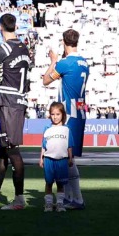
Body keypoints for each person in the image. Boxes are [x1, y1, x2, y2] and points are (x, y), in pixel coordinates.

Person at [0, 14, 33, 208]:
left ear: (0, 27)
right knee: (4, 149)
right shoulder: (24, 48)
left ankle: (19, 199)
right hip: (19, 101)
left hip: (9, 101)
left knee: (13, 150)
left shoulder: (1, 48)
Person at [41, 29, 92, 209]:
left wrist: (54, 60)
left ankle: (77, 199)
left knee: (66, 155)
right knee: (70, 155)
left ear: (64, 42)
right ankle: (71, 197)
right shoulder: (85, 63)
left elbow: (45, 80)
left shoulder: (64, 63)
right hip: (81, 108)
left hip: (69, 110)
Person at [40, 101, 75, 213]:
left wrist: (70, 158)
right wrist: (41, 158)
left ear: (63, 115)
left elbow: (69, 145)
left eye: (57, 114)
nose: (55, 117)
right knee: (48, 183)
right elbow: (44, 145)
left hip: (62, 160)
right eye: (52, 114)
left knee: (60, 183)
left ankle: (60, 204)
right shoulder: (47, 128)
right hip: (49, 159)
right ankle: (49, 204)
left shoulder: (67, 129)